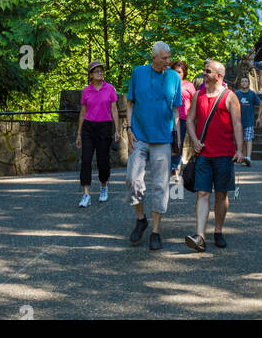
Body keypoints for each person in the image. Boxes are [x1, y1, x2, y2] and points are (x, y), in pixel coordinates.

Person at [125, 41, 183, 251]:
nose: (169, 61)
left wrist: (177, 136)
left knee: (160, 184)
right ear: (154, 57)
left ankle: (156, 231)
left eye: (169, 57)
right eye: (165, 58)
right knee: (132, 180)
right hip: (139, 136)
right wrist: (129, 128)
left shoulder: (174, 77)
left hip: (163, 139)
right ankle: (141, 219)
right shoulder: (138, 73)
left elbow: (176, 111)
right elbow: (130, 103)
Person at [185, 59, 244, 252]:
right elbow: (190, 120)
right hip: (203, 154)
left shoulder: (230, 96)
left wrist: (240, 150)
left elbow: (237, 124)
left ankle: (218, 231)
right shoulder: (198, 95)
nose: (204, 73)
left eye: (208, 71)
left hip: (224, 154)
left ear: (219, 76)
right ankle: (200, 236)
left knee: (221, 194)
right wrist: (194, 140)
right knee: (202, 193)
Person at [76, 60, 121, 207]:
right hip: (89, 128)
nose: (100, 73)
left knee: (103, 161)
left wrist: (117, 129)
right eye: (97, 71)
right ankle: (86, 195)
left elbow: (114, 110)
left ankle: (103, 187)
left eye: (101, 71)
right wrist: (79, 133)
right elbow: (82, 112)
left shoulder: (110, 89)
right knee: (86, 160)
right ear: (90, 75)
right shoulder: (86, 91)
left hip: (104, 127)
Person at [170, 59, 196, 174]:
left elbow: (195, 102)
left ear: (184, 73)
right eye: (175, 71)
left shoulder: (189, 86)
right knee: (167, 142)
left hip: (183, 118)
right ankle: (168, 164)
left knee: (177, 142)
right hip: (167, 118)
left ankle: (175, 166)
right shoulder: (168, 84)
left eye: (179, 72)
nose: (177, 74)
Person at [236, 73, 257, 162]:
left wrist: (259, 117)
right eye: (242, 81)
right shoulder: (236, 93)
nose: (244, 83)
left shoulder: (252, 94)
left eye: (246, 81)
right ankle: (242, 157)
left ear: (248, 83)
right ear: (240, 83)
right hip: (239, 121)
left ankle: (248, 157)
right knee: (241, 140)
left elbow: (260, 104)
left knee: (248, 139)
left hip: (249, 121)